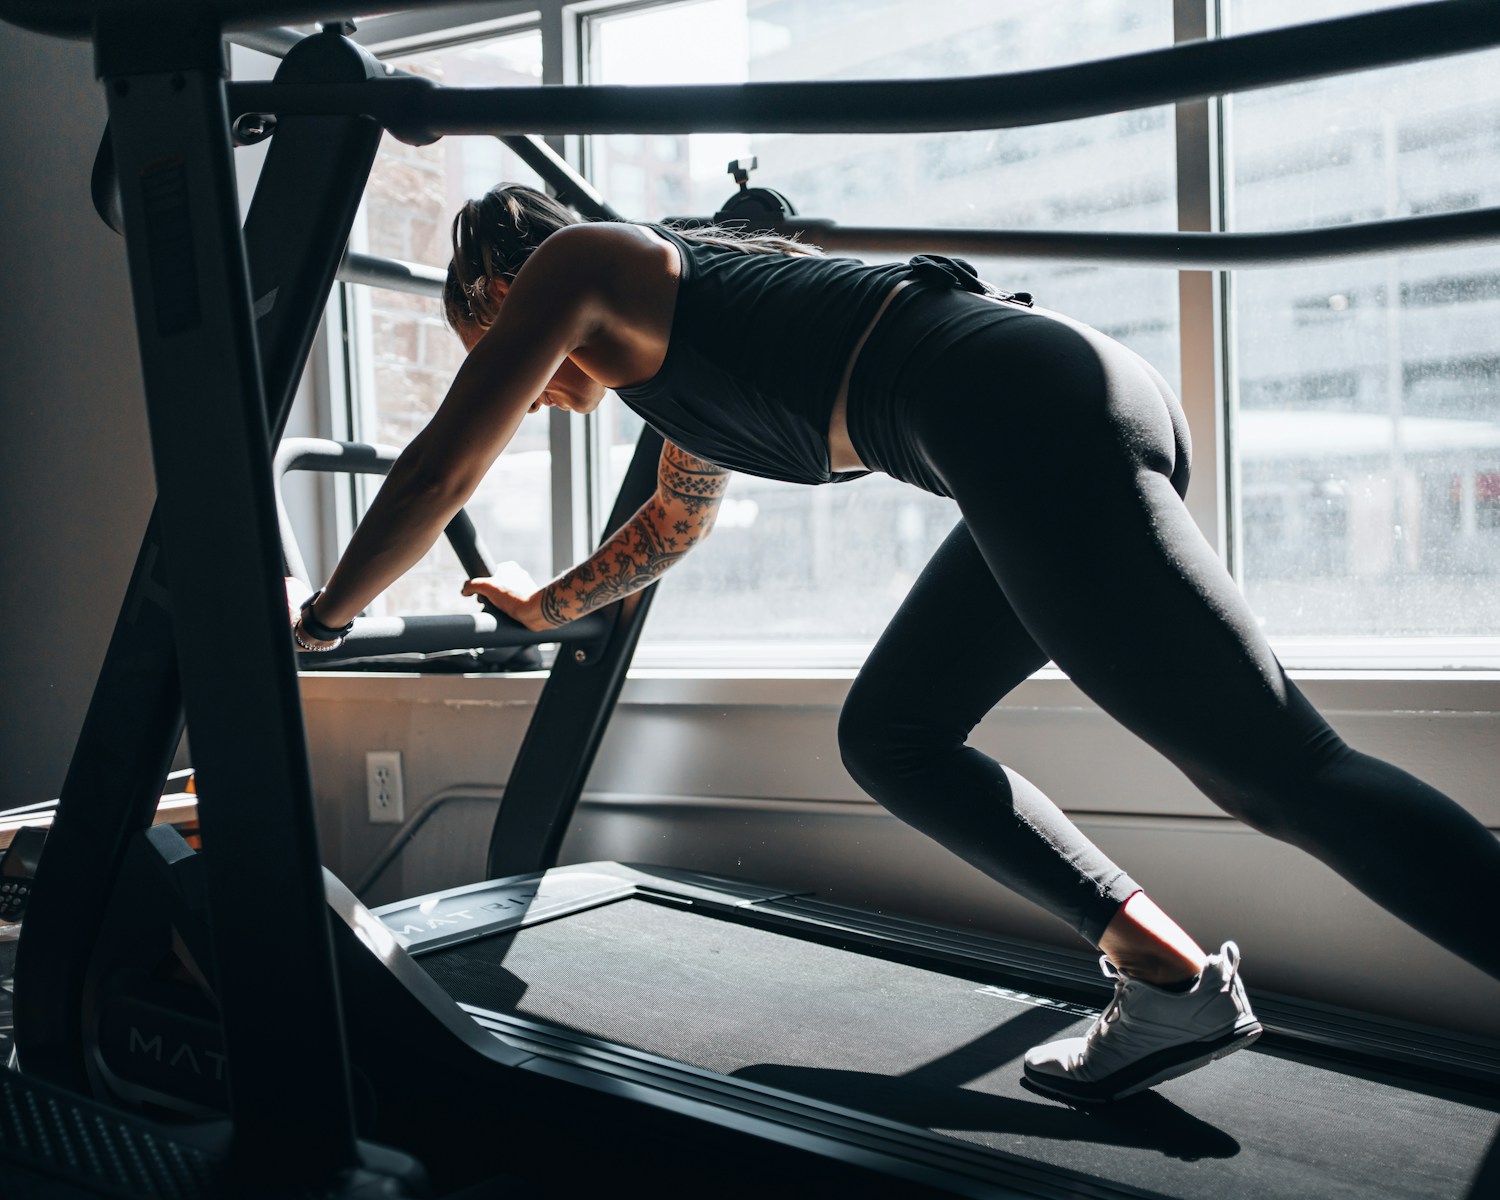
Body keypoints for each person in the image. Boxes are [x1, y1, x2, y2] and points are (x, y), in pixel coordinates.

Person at [290, 184, 1500, 1104]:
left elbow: (447, 459)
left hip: (1028, 416)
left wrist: (329, 612)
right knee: (892, 735)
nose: (516, 378)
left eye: (483, 339)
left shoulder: (587, 258)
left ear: (501, 296)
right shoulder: (681, 356)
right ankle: (1170, 983)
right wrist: (543, 608)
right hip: (1034, 421)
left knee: (1282, 773)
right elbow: (670, 524)